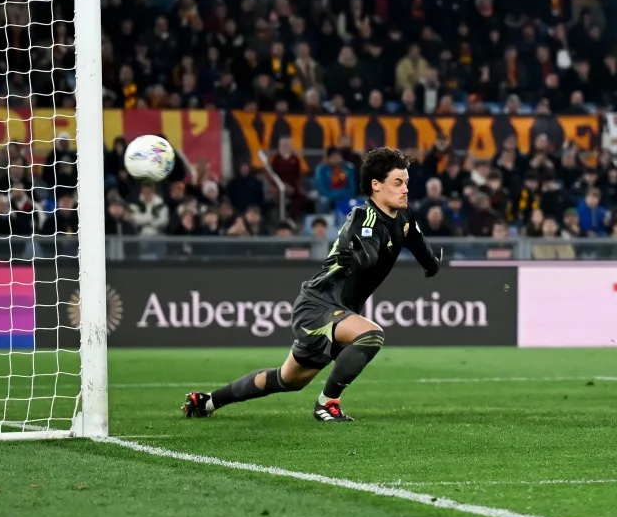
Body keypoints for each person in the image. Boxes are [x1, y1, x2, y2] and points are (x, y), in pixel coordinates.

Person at [183, 148, 441, 423]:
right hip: (318, 305)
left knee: (287, 379)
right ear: (376, 185)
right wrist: (359, 257)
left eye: (406, 183)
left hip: (340, 310)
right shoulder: (364, 217)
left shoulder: (403, 217)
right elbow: (368, 252)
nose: (405, 189)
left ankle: (208, 402)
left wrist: (431, 264)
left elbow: (420, 247)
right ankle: (327, 404)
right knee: (371, 334)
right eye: (398, 183)